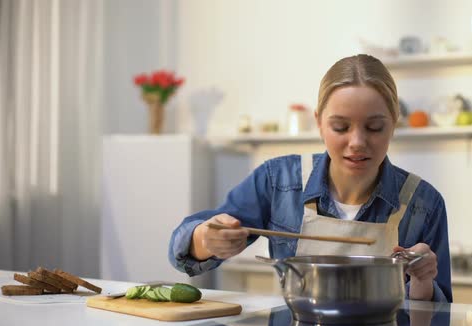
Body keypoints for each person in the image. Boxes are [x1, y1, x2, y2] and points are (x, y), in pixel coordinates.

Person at [169, 54, 452, 302]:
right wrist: (206, 239)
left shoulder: (423, 203)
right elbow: (182, 250)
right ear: (319, 123)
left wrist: (423, 280)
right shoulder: (279, 181)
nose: (357, 142)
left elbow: (440, 315)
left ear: (394, 123)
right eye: (340, 127)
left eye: (374, 127)